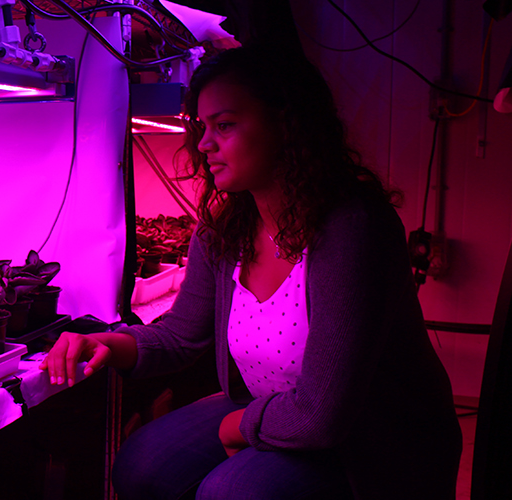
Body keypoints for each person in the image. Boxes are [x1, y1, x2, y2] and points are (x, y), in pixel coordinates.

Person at [40, 46, 462, 499]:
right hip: (272, 409)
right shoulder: (227, 229)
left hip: (371, 433)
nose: (203, 144)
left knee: (231, 493)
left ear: (287, 124)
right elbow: (182, 335)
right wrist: (107, 342)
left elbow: (322, 413)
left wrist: (235, 425)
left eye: (224, 125)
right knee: (142, 467)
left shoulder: (353, 228)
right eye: (202, 127)